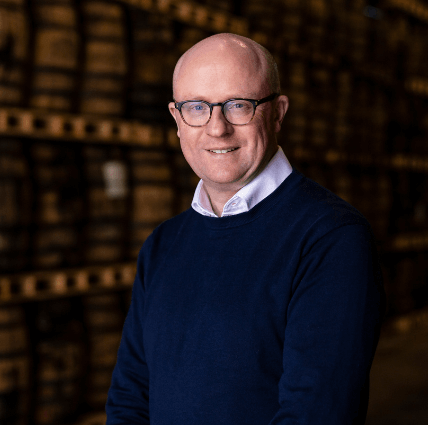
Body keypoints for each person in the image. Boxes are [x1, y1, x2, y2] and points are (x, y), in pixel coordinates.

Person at [106, 33, 384, 424]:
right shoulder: (163, 244)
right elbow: (130, 393)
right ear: (176, 119)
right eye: (197, 107)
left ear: (278, 112)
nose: (217, 129)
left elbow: (316, 412)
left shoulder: (331, 237)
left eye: (239, 105)